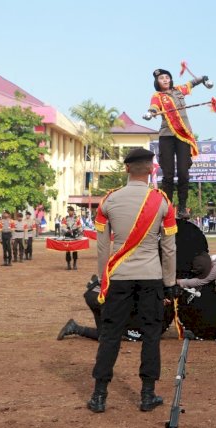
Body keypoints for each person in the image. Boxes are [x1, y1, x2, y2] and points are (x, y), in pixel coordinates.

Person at [88, 147, 177, 414]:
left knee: (110, 334)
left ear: (127, 168)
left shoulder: (109, 201)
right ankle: (147, 394)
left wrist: (105, 277)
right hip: (151, 277)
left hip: (119, 277)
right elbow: (169, 248)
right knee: (151, 334)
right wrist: (170, 281)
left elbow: (103, 248)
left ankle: (99, 395)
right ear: (151, 169)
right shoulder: (162, 202)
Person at [145, 68, 208, 219]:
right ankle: (166, 208)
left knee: (183, 173)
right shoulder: (157, 96)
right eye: (161, 78)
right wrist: (151, 112)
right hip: (166, 135)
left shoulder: (179, 90)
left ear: (170, 79)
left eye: (167, 77)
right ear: (157, 82)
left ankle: (182, 208)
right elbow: (154, 106)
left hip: (183, 135)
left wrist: (202, 78)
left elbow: (191, 84)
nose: (165, 80)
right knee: (168, 175)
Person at [62, 206, 82, 270]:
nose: (69, 212)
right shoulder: (65, 218)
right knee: (67, 250)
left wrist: (79, 232)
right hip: (68, 235)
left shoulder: (77, 219)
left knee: (75, 250)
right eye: (68, 211)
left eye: (70, 211)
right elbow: (63, 227)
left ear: (73, 211)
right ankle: (68, 264)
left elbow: (80, 227)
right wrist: (67, 230)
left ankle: (75, 263)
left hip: (75, 235)